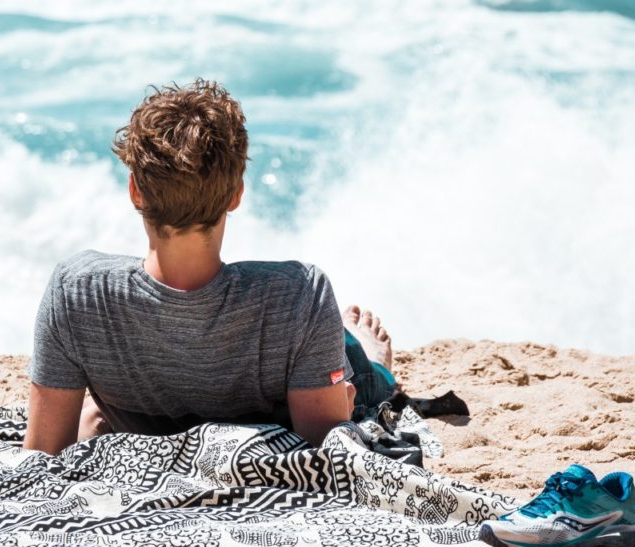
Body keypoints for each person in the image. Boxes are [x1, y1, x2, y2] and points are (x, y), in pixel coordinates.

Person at [24, 79, 397, 456]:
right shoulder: (299, 292)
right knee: (359, 376)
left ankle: (366, 357)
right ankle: (373, 362)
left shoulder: (77, 292)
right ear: (236, 194)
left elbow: (42, 453)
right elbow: (323, 446)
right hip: (290, 380)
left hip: (137, 413)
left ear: (135, 190)